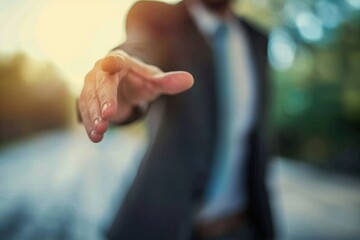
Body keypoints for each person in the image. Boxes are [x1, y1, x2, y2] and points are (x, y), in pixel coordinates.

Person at [78, 0, 274, 239]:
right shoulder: (158, 19)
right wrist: (121, 89)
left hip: (242, 228)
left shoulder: (257, 40)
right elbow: (138, 51)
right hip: (162, 226)